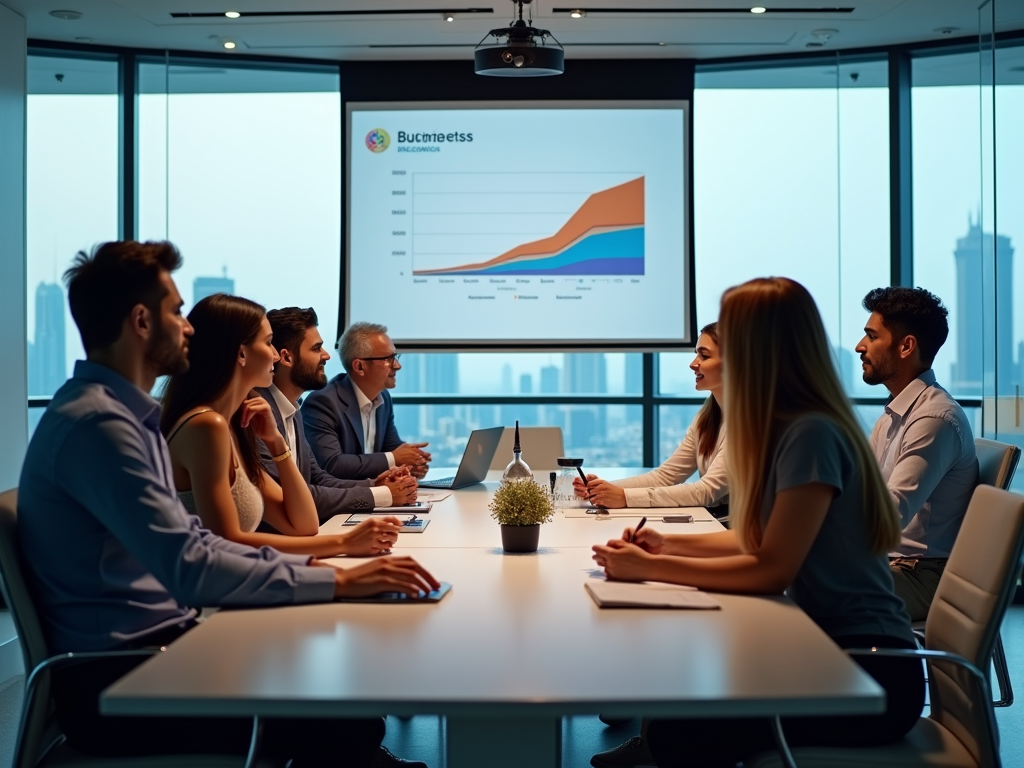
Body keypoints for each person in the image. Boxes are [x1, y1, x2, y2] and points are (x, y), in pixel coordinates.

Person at [18, 241, 437, 767]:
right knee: (336, 715)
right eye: (175, 311)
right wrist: (339, 577)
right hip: (123, 678)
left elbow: (199, 544)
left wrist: (319, 563)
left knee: (345, 711)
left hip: (161, 648)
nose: (188, 326)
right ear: (142, 321)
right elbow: (192, 565)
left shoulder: (125, 418)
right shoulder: (101, 427)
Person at [591, 277, 923, 768]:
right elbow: (754, 540)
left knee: (679, 731)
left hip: (868, 672)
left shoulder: (809, 432)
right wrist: (665, 546)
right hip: (829, 649)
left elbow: (772, 569)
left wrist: (649, 570)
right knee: (675, 715)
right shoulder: (789, 425)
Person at [160, 294, 410, 559]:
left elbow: (303, 524)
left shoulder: (239, 425)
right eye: (268, 343)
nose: (274, 355)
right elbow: (225, 545)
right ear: (241, 353)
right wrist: (344, 544)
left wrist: (277, 444)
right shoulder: (207, 425)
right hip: (213, 595)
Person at [856, 286, 978, 621]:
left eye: (871, 336)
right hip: (893, 564)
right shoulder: (895, 414)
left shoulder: (933, 419)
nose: (859, 346)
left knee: (803, 582)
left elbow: (888, 518)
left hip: (920, 576)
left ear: (906, 345)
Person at [258, 306, 418, 523]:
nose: (326, 355)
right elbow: (296, 496)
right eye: (316, 349)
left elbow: (318, 478)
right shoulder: (259, 415)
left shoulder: (292, 409)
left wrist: (376, 484)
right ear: (286, 358)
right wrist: (382, 495)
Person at [575, 322, 727, 512]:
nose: (693, 363)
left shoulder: (748, 427)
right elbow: (665, 477)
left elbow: (706, 491)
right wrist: (604, 489)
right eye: (696, 354)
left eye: (704, 355)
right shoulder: (706, 418)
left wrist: (624, 497)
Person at [303, 321, 431, 481]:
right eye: (388, 359)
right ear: (359, 367)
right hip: (343, 502)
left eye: (395, 357)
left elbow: (391, 448)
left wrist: (413, 462)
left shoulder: (383, 397)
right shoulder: (323, 403)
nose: (397, 366)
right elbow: (332, 465)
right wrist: (394, 458)